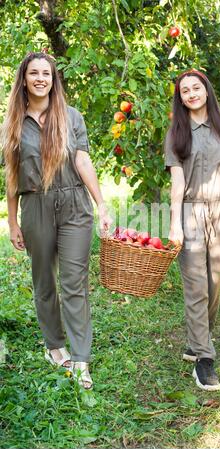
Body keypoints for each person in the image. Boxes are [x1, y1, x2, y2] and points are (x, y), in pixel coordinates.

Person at [1, 52, 112, 389]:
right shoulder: (13, 124)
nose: (40, 79)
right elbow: (12, 175)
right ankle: (54, 346)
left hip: (74, 204)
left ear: (53, 79)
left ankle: (80, 359)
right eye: (33, 73)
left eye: (46, 73)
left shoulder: (71, 117)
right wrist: (13, 221)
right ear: (23, 79)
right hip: (35, 205)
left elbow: (82, 160)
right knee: (44, 283)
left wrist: (102, 203)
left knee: (74, 282)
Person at [165, 69, 220, 391]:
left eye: (196, 88)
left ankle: (198, 338)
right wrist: (174, 223)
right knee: (196, 286)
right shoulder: (177, 133)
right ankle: (204, 360)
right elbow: (177, 182)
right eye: (185, 91)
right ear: (180, 98)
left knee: (214, 283)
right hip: (191, 211)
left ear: (206, 91)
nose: (191, 94)